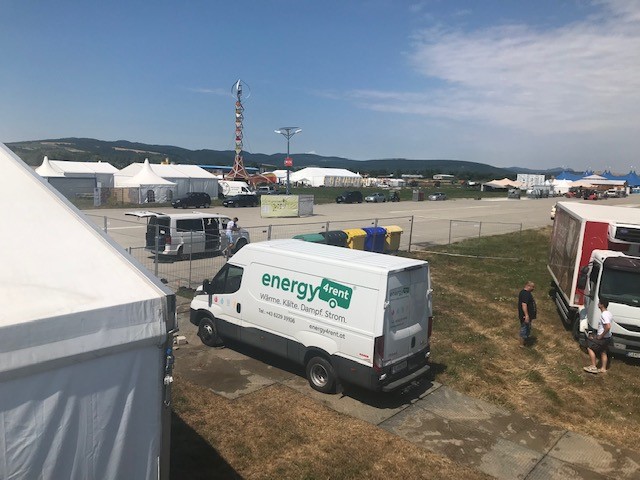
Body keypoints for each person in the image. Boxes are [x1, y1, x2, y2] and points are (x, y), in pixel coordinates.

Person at [583, 300, 613, 374]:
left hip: (603, 338)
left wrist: (600, 336)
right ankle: (603, 368)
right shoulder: (608, 313)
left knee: (589, 346)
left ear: (602, 305)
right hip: (608, 337)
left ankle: (593, 366)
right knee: (603, 351)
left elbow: (608, 326)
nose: (598, 304)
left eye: (599, 303)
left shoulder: (604, 315)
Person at [518, 281, 537, 347]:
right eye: (532, 287)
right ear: (528, 286)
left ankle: (525, 341)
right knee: (524, 329)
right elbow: (524, 304)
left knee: (527, 328)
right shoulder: (525, 294)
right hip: (525, 316)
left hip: (528, 315)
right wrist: (526, 315)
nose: (533, 288)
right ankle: (521, 344)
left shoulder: (526, 293)